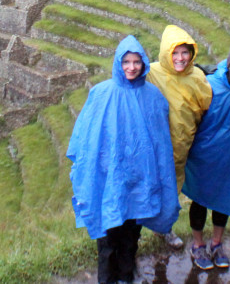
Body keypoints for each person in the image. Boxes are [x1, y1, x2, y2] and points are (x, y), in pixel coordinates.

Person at [67, 35, 180, 284]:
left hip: (139, 183)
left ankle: (127, 278)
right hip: (110, 182)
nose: (131, 67)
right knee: (108, 242)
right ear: (118, 63)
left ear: (144, 63)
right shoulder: (101, 94)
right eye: (126, 62)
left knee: (130, 240)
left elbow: (160, 145)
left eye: (136, 62)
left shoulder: (153, 96)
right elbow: (87, 139)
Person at [182, 42, 230, 270]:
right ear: (229, 65)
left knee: (223, 202)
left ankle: (217, 244)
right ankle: (198, 245)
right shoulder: (211, 85)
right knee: (200, 200)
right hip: (205, 156)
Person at [145, 25, 213, 249]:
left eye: (185, 52)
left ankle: (164, 229)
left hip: (182, 147)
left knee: (171, 192)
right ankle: (133, 234)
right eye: (175, 53)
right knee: (146, 189)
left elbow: (205, 106)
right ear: (166, 53)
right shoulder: (153, 73)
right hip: (155, 147)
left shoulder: (197, 76)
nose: (180, 58)